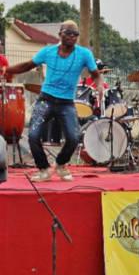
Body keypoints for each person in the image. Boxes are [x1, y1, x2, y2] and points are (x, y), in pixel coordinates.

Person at [5, 20, 103, 182]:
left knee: (73, 137)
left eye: (75, 34)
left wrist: (99, 86)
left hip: (66, 103)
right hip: (46, 99)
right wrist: (9, 70)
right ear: (60, 34)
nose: (72, 37)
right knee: (33, 136)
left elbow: (96, 74)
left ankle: (60, 164)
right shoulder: (48, 51)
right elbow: (28, 65)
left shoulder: (84, 54)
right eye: (68, 33)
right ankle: (43, 169)